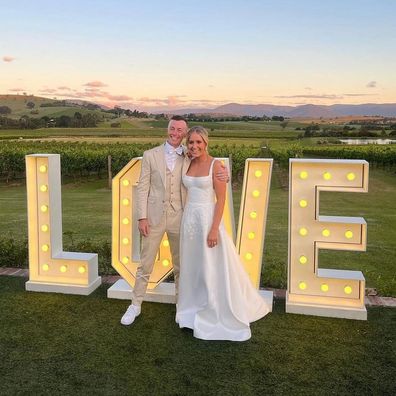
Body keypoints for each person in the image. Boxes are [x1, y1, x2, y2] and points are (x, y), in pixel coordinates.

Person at [121, 116, 228, 325]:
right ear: (167, 129)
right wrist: (141, 216)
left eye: (180, 130)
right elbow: (142, 187)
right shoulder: (150, 155)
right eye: (172, 128)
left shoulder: (190, 156)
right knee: (145, 264)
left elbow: (208, 167)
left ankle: (182, 305)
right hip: (153, 218)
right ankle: (135, 305)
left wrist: (225, 173)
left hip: (181, 217)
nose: (175, 133)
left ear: (185, 133)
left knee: (182, 265)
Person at [175, 126, 270, 341]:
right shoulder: (187, 163)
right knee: (193, 265)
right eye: (191, 142)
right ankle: (191, 305)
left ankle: (214, 307)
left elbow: (221, 201)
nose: (195, 146)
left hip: (209, 219)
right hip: (190, 219)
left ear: (206, 143)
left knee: (211, 264)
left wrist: (214, 229)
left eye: (199, 142)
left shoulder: (216, 166)